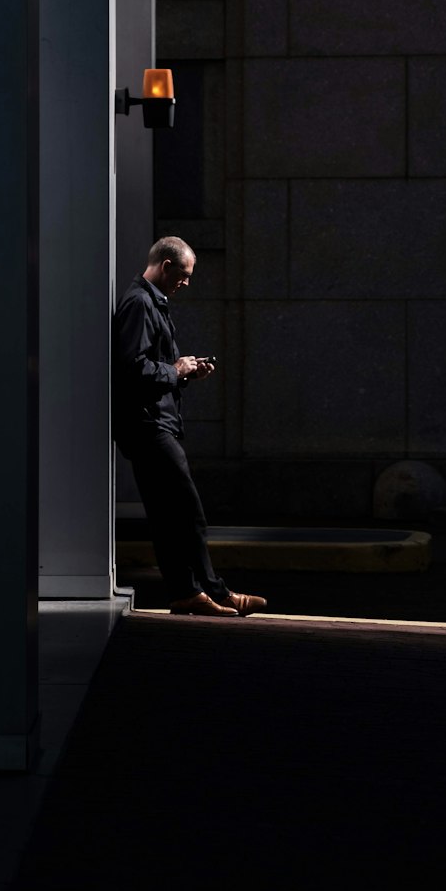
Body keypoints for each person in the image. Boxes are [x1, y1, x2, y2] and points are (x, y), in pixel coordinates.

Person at [113, 237, 266, 618]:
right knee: (188, 510)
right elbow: (131, 368)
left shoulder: (148, 302)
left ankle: (185, 592)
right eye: (183, 274)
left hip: (148, 423)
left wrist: (184, 372)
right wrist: (175, 370)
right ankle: (217, 591)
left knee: (166, 516)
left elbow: (148, 365)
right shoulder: (140, 304)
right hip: (149, 426)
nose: (186, 282)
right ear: (165, 265)